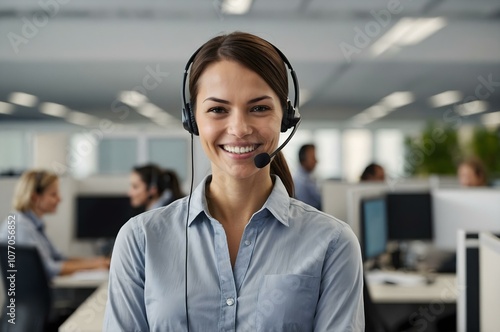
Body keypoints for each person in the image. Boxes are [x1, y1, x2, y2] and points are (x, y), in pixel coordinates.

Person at [104, 31, 364, 331]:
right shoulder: (141, 240)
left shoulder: (332, 243)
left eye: (259, 108)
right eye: (218, 109)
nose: (239, 128)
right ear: (192, 120)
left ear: (285, 118)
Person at [0, 170, 110, 279]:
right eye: (53, 194)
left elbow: (59, 258)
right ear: (34, 198)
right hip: (33, 295)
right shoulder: (20, 227)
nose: (59, 199)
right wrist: (95, 265)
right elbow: (49, 269)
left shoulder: (32, 224)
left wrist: (97, 262)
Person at [293, 144, 322, 210]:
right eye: (313, 157)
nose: (316, 161)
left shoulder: (308, 177)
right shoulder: (301, 181)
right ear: (303, 159)